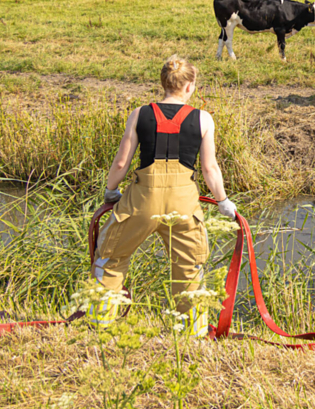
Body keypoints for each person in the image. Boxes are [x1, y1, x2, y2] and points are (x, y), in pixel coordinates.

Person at [88, 55, 235, 336]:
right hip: (184, 204)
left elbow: (121, 163)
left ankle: (99, 325)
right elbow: (209, 168)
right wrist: (223, 201)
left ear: (163, 83)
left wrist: (110, 192)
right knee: (189, 268)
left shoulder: (140, 114)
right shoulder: (203, 119)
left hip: (141, 201)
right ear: (190, 86)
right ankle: (192, 335)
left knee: (111, 257)